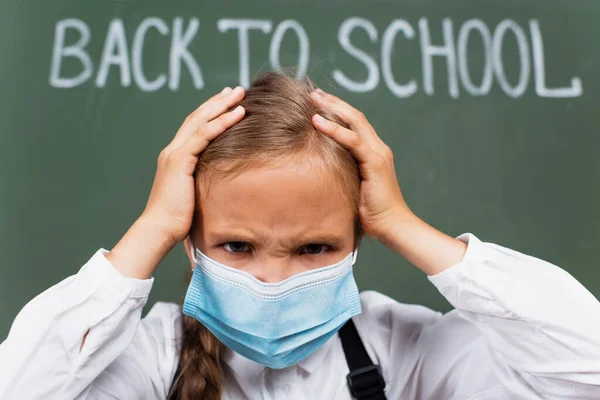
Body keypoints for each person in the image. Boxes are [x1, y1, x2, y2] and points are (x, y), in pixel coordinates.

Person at [0, 72, 599, 400]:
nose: (272, 283)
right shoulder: (146, 359)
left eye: (316, 248)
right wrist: (150, 228)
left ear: (358, 239)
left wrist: (404, 224)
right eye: (237, 246)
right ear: (189, 239)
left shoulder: (412, 354)